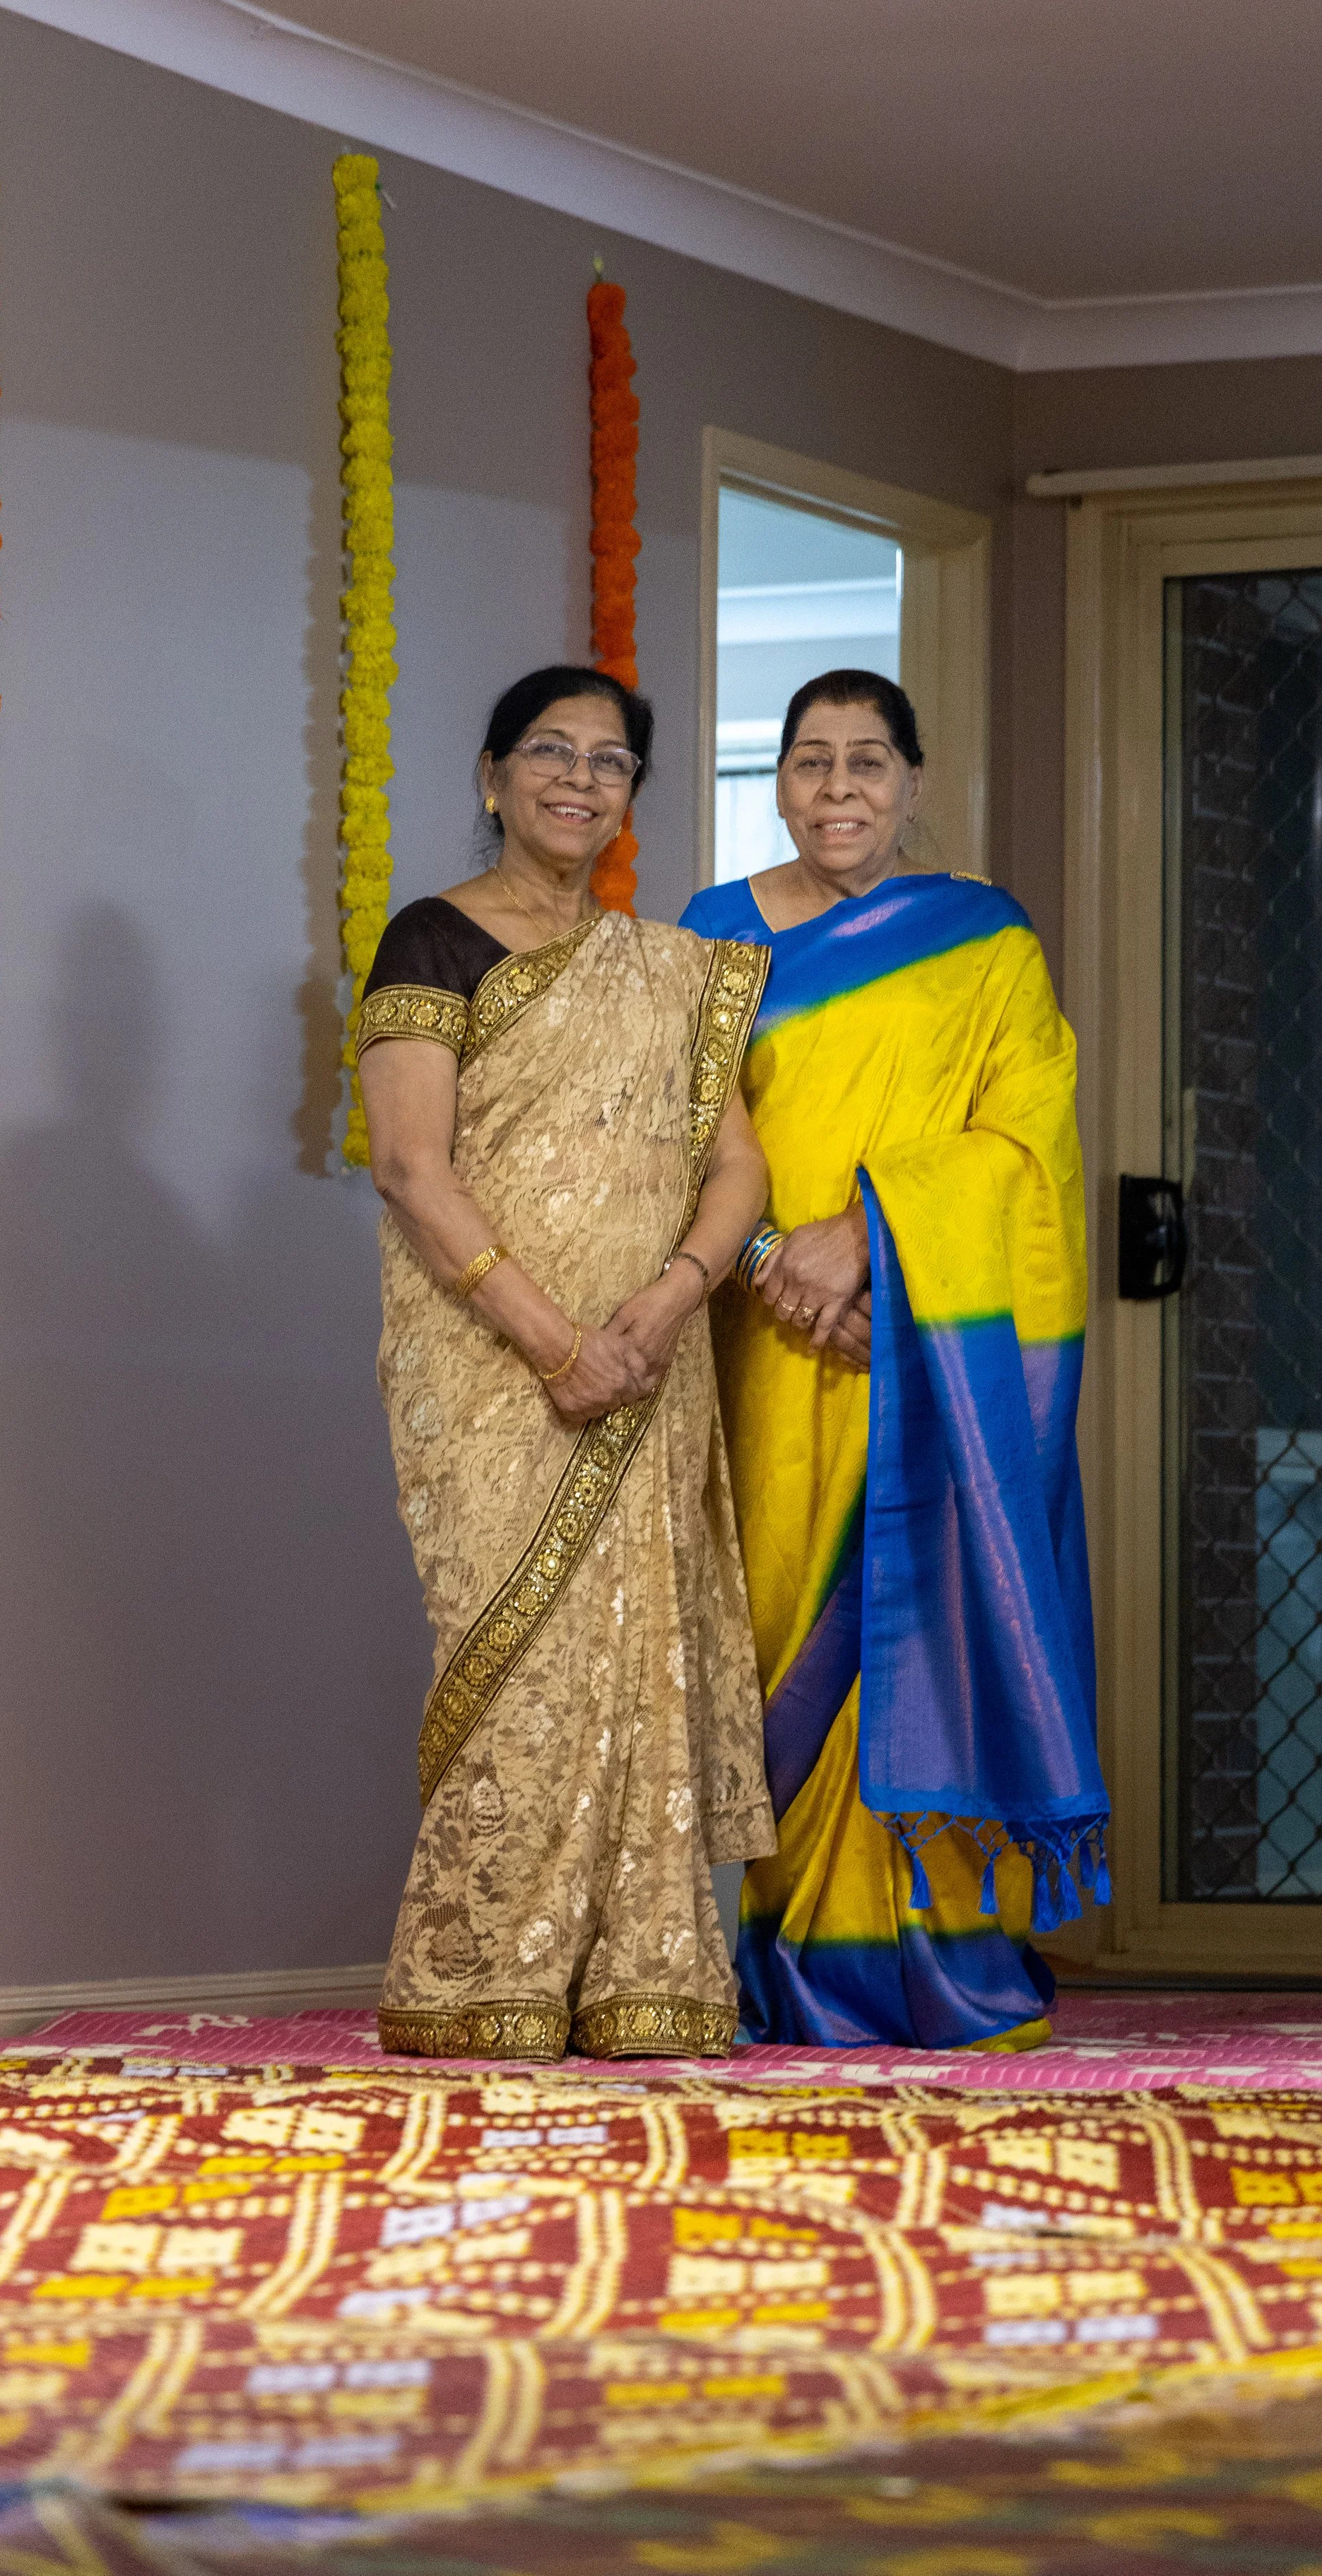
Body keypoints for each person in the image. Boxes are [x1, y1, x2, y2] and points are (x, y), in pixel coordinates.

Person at [680, 668, 1105, 2052]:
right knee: (764, 1621)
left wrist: (864, 1237)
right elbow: (662, 1147)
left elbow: (1025, 1151)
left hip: (923, 1354)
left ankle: (916, 1955)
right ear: (778, 779)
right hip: (756, 1342)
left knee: (913, 1603)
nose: (838, 789)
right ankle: (758, 1953)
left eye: (867, 763)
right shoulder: (706, 940)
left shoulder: (982, 944)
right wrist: (767, 1269)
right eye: (810, 762)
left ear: (913, 782)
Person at [358, 664, 777, 2062]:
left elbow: (736, 1166)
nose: (577, 778)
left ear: (630, 800)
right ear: (489, 776)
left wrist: (662, 1305)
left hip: (646, 1361)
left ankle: (642, 1974)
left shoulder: (668, 973)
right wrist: (551, 1342)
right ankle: (481, 1975)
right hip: (492, 1362)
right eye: (549, 750)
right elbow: (413, 1171)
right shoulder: (431, 939)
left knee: (639, 1657)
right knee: (520, 1655)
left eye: (609, 761)